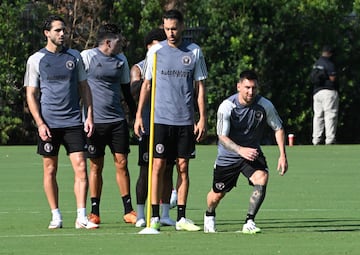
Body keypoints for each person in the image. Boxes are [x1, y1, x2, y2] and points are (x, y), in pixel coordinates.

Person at [134, 9, 208, 232]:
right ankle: (154, 216)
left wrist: (202, 118)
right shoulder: (155, 51)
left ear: (182, 27)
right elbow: (146, 85)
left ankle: (181, 218)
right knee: (157, 165)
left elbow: (200, 88)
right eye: (167, 29)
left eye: (174, 28)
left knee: (183, 167)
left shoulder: (194, 52)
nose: (170, 33)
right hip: (160, 120)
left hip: (185, 120)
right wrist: (138, 115)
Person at [24, 15, 98, 229]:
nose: (62, 34)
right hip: (48, 124)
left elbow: (85, 87)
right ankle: (56, 215)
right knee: (50, 169)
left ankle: (81, 217)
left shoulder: (75, 57)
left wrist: (89, 115)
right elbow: (31, 94)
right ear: (47, 33)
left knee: (81, 168)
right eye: (57, 30)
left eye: (63, 30)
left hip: (74, 122)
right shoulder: (36, 60)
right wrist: (40, 123)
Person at [203, 70, 288, 234]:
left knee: (262, 177)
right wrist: (241, 150)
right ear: (239, 86)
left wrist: (282, 155)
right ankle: (209, 214)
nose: (251, 92)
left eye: (254, 88)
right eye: (247, 87)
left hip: (252, 153)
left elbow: (278, 128)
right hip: (228, 156)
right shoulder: (227, 106)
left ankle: (249, 221)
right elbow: (222, 136)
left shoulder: (265, 105)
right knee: (217, 195)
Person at [80, 24, 137, 225]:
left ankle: (128, 210)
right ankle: (94, 211)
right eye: (119, 42)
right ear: (107, 43)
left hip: (117, 121)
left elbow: (126, 90)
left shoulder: (121, 59)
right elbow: (78, 85)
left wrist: (136, 114)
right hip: (94, 123)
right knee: (96, 165)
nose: (122, 46)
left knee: (122, 163)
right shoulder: (87, 57)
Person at [130, 28, 177, 228]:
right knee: (145, 170)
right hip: (150, 124)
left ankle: (165, 213)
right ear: (149, 47)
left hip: (170, 122)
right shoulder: (139, 68)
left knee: (168, 169)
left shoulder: (170, 63)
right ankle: (141, 213)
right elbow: (134, 89)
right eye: (156, 45)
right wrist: (149, 81)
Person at [311, 45, 338, 145]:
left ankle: (316, 139)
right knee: (330, 115)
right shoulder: (329, 63)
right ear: (330, 53)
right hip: (329, 92)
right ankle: (330, 139)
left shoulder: (317, 63)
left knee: (318, 116)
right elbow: (332, 78)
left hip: (317, 92)